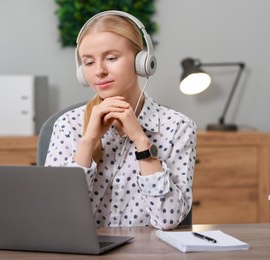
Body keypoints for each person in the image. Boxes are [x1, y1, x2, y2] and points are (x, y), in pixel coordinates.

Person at [45, 10, 196, 230]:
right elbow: (55, 215)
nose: (99, 71)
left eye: (111, 58)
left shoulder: (178, 127)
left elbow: (168, 220)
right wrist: (88, 141)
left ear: (141, 61)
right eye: (88, 62)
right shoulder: (68, 125)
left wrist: (141, 141)